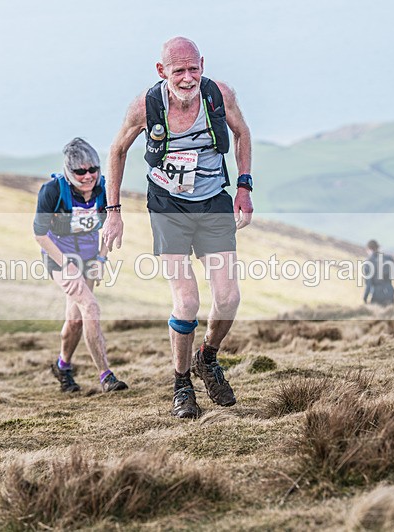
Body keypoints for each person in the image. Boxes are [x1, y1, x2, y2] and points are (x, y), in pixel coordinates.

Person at [102, 37, 254, 418]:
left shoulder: (219, 95)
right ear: (161, 71)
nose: (187, 79)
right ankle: (182, 384)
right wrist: (113, 210)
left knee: (229, 297)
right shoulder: (146, 106)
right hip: (168, 206)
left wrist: (244, 186)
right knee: (186, 301)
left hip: (212, 201)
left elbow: (243, 133)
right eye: (178, 71)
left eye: (193, 70)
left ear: (202, 64)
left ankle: (208, 357)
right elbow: (116, 151)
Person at [33, 138, 128, 394]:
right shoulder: (52, 191)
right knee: (91, 307)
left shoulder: (104, 191)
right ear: (68, 171)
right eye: (80, 171)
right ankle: (106, 375)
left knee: (75, 321)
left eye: (93, 169)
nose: (88, 176)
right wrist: (67, 266)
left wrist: (101, 258)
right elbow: (40, 234)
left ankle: (62, 366)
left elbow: (109, 226)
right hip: (59, 259)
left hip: (90, 258)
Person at [362, 240, 394, 307]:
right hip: (390, 293)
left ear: (368, 249)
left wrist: (365, 298)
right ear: (377, 247)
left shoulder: (368, 262)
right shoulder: (389, 259)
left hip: (377, 295)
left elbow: (368, 285)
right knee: (390, 316)